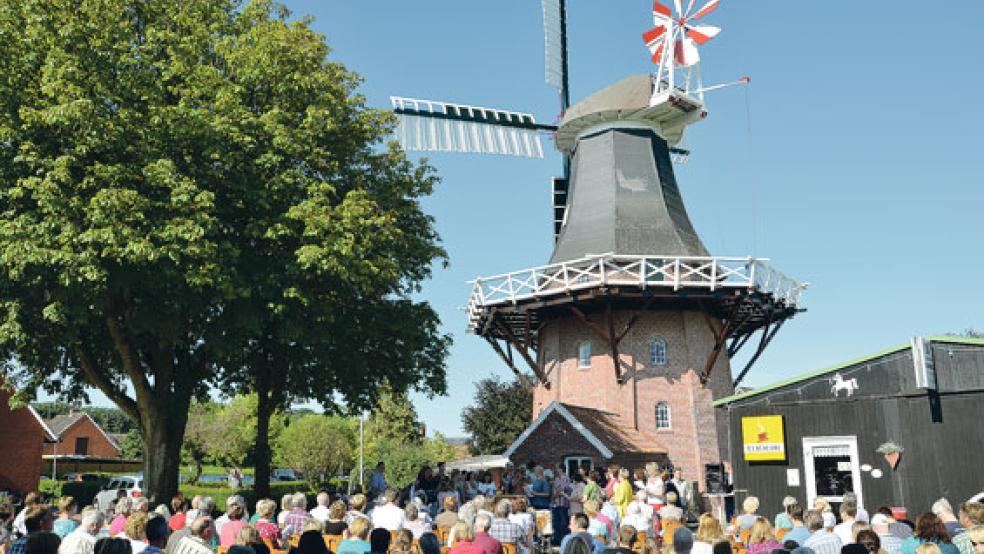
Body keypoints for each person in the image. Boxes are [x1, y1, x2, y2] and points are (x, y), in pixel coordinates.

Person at [552, 466, 574, 545]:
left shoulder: (566, 478)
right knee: (556, 522)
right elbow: (554, 490)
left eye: (557, 468)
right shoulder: (556, 479)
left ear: (561, 469)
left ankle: (565, 539)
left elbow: (564, 489)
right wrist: (554, 497)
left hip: (563, 503)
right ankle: (557, 539)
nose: (556, 470)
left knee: (564, 522)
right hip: (556, 503)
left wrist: (557, 493)